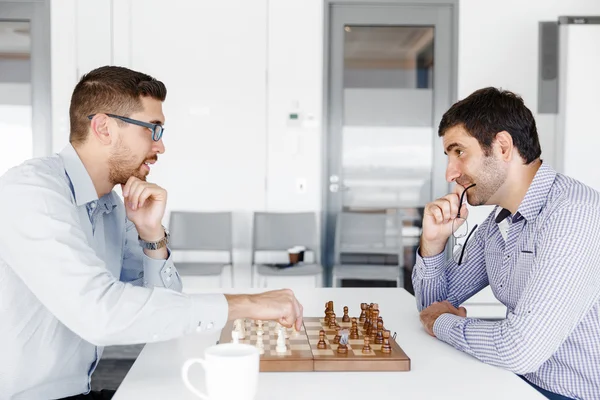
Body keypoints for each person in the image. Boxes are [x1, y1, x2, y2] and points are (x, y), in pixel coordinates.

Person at [0, 66, 303, 400]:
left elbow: (162, 305)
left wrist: (151, 235)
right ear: (104, 128)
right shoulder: (31, 193)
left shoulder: (113, 206)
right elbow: (100, 314)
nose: (160, 147)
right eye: (152, 129)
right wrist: (246, 304)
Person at [412, 87, 600, 400]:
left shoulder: (574, 215)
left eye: (459, 152)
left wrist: (443, 324)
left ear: (502, 146)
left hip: (569, 393)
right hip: (518, 382)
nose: (450, 173)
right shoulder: (499, 221)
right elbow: (432, 307)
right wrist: (432, 243)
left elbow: (520, 349)